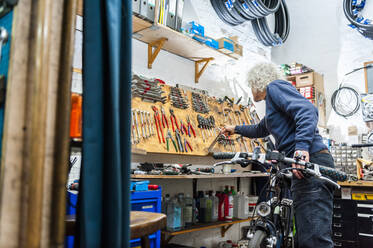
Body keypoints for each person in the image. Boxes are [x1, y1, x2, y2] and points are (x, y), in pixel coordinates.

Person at [221, 62, 334, 248]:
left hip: (310, 160)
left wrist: (301, 148)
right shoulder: (274, 108)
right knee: (304, 234)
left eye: (251, 85)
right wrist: (234, 129)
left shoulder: (274, 87)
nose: (251, 90)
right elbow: (260, 128)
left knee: (314, 239)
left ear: (258, 82)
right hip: (299, 166)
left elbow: (308, 111)